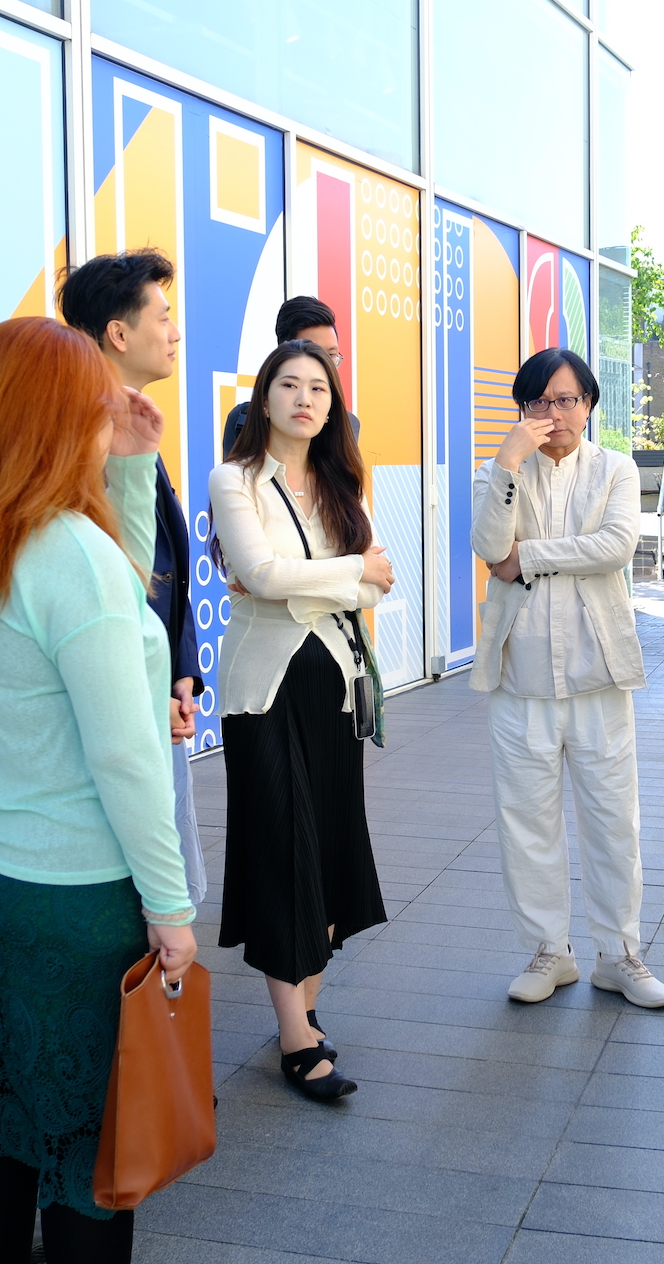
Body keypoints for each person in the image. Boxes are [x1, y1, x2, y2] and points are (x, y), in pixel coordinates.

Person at [0, 316, 198, 1263]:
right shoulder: (70, 554)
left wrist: (129, 469)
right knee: (90, 1142)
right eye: (94, 408)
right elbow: (126, 756)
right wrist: (170, 905)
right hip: (75, 895)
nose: (107, 419)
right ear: (53, 422)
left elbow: (120, 599)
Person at [208, 338, 390, 1101]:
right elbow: (259, 573)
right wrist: (347, 574)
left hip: (336, 688)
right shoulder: (235, 479)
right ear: (265, 397)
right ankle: (295, 1039)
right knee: (284, 850)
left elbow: (377, 585)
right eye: (289, 384)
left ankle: (305, 1011)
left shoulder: (342, 483)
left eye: (319, 386)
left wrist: (316, 583)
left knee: (330, 849)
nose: (305, 397)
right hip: (266, 692)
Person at [470, 348, 664, 1009]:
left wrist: (527, 557)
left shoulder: (615, 468)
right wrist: (508, 465)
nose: (554, 413)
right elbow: (488, 546)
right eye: (540, 401)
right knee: (526, 822)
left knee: (614, 821)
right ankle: (548, 951)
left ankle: (619, 954)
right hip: (519, 679)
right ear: (522, 408)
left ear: (588, 405)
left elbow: (614, 547)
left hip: (598, 677)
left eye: (567, 399)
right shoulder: (497, 472)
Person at [58, 249, 207, 904]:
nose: (175, 332)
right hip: (116, 704)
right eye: (163, 317)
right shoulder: (79, 438)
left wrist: (179, 670)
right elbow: (104, 587)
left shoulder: (132, 423)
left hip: (152, 687)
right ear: (118, 333)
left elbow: (163, 571)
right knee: (145, 889)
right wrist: (147, 686)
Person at [222, 295, 357, 456]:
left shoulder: (348, 425)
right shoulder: (244, 419)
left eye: (331, 355)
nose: (323, 365)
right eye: (312, 353)